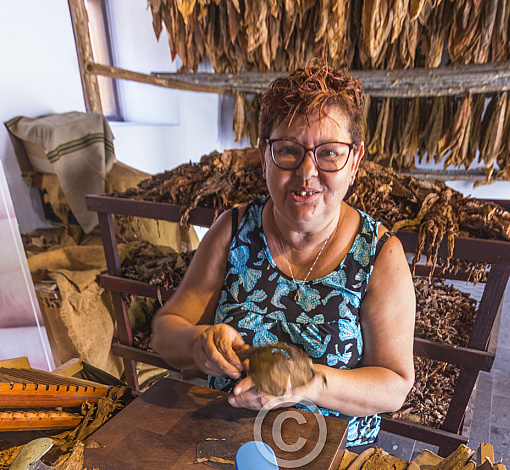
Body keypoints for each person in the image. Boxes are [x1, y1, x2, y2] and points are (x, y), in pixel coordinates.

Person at [152, 63, 416, 448]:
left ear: (354, 160)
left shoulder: (379, 255)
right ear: (265, 156)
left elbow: (394, 386)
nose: (307, 172)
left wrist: (309, 381)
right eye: (289, 151)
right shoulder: (234, 229)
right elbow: (165, 332)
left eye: (329, 153)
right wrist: (198, 343)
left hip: (329, 454)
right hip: (224, 432)